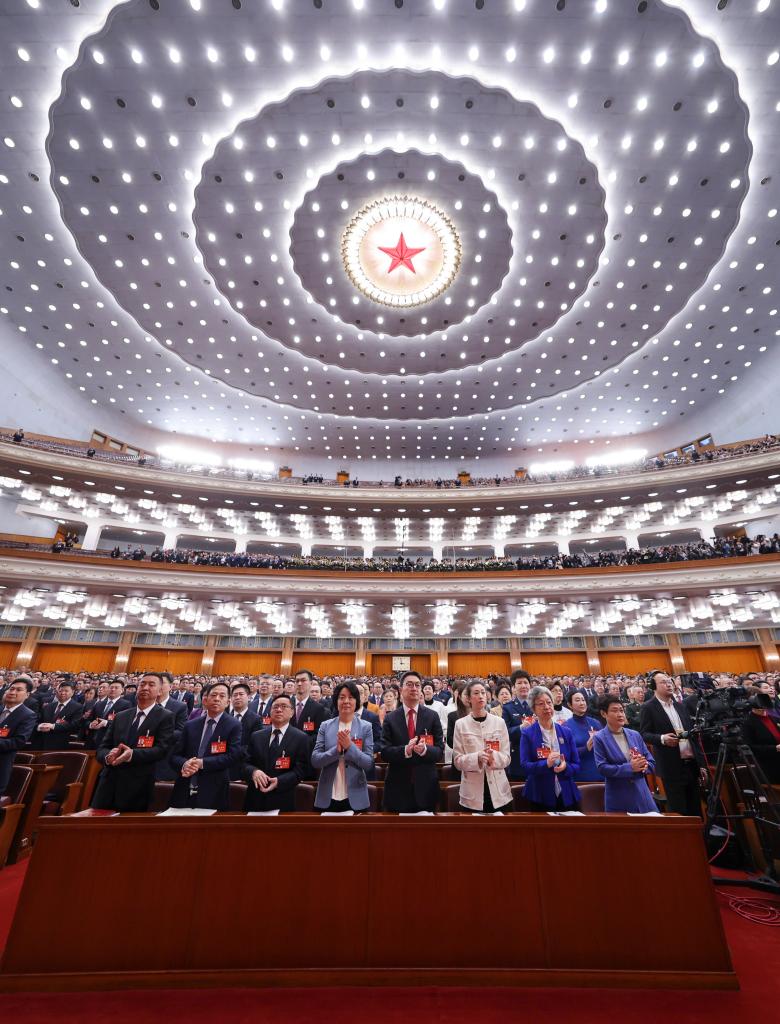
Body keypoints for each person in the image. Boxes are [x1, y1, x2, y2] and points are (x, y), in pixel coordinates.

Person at [92, 674, 175, 812]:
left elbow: (161, 750)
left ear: (160, 691)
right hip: (108, 782)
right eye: (142, 684)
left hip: (138, 784)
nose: (145, 688)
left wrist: (132, 755)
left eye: (151, 685)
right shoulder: (121, 716)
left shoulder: (165, 716)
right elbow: (102, 748)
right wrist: (108, 756)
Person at [639, 670, 706, 817]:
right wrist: (662, 738)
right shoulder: (648, 707)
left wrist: (701, 764)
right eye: (663, 682)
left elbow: (692, 736)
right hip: (671, 766)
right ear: (653, 687)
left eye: (670, 681)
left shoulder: (680, 706)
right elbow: (644, 734)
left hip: (691, 764)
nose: (669, 684)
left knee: (696, 809)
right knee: (679, 809)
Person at [169, 682, 241, 811]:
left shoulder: (233, 725)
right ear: (205, 700)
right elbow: (174, 756)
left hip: (214, 789)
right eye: (213, 695)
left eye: (222, 696)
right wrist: (185, 764)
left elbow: (233, 756)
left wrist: (202, 763)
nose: (217, 699)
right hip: (185, 786)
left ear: (228, 702)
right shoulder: (190, 725)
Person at [381, 671, 444, 813]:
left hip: (426, 788)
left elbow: (439, 750)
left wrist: (425, 750)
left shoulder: (432, 716)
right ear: (401, 689)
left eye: (417, 685)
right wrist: (405, 750)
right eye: (409, 685)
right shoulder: (390, 718)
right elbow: (384, 752)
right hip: (397, 788)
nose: (414, 688)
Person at [311, 681, 374, 812]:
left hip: (356, 795)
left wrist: (350, 747)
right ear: (336, 701)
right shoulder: (325, 726)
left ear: (356, 701)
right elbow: (315, 760)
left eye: (351, 697)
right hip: (328, 795)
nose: (346, 701)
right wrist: (336, 751)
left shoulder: (366, 727)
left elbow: (368, 763)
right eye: (342, 697)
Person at [452, 681, 512, 813]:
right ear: (468, 698)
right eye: (476, 693)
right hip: (472, 795)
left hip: (499, 792)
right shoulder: (460, 724)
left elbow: (507, 758)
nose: (480, 696)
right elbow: (457, 761)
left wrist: (493, 757)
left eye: (483, 693)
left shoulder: (499, 722)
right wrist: (477, 758)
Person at [243, 694, 310, 813]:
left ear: (292, 712)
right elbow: (244, 764)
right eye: (275, 707)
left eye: (284, 706)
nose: (279, 710)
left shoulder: (301, 738)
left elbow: (302, 770)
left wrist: (280, 781)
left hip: (283, 798)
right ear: (270, 711)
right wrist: (254, 771)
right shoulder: (256, 736)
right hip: (255, 799)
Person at [520, 685, 580, 812]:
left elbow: (576, 764)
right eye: (541, 704)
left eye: (549, 702)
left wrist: (565, 767)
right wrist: (546, 764)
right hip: (539, 794)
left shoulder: (566, 732)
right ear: (533, 709)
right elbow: (525, 765)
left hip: (566, 792)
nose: (547, 707)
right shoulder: (528, 734)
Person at [593, 695, 658, 813]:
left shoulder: (635, 734)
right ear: (603, 714)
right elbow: (602, 767)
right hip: (619, 797)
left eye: (621, 710)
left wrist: (644, 766)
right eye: (614, 711)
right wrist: (630, 767)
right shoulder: (599, 738)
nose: (620, 714)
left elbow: (651, 762)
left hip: (642, 796)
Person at [0, 677, 37, 797]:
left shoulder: (28, 715)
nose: (13, 692)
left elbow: (19, 741)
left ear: (27, 695)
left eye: (18, 690)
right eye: (11, 689)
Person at [32, 676, 84, 751]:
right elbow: (38, 720)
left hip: (60, 744)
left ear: (72, 692)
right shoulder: (48, 706)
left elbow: (74, 725)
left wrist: (53, 726)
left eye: (66, 691)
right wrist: (39, 726)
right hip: (41, 742)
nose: (62, 693)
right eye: (60, 690)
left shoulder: (77, 707)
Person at [741, 691, 780, 783]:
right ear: (753, 709)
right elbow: (750, 747)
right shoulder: (748, 723)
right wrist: (774, 748)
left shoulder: (773, 716)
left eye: (765, 709)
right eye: (760, 710)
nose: (764, 711)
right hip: (769, 763)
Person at [502, 669, 534, 781]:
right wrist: (520, 728)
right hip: (518, 757)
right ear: (513, 688)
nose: (523, 686)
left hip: (537, 756)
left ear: (530, 686)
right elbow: (504, 733)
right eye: (519, 683)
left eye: (525, 682)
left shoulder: (537, 704)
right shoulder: (508, 707)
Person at [85, 678, 131, 750]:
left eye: (116, 688)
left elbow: (124, 724)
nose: (113, 689)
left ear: (122, 690)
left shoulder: (126, 704)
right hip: (92, 740)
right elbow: (88, 720)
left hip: (109, 742)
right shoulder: (99, 704)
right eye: (111, 687)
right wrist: (91, 724)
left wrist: (106, 723)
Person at [229, 682, 263, 780]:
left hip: (244, 764)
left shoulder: (256, 719)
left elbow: (255, 745)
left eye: (241, 694)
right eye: (235, 695)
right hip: (224, 763)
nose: (237, 697)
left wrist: (233, 752)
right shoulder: (225, 717)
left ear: (248, 697)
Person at [566, 691, 602, 782]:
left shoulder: (596, 723)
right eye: (577, 700)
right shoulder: (566, 726)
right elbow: (566, 753)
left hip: (600, 773)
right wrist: (586, 748)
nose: (582, 703)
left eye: (583, 700)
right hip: (580, 776)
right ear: (570, 705)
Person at [291, 668, 327, 747]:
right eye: (297, 681)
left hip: (306, 749)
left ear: (311, 683)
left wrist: (301, 743)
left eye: (303, 680)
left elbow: (318, 734)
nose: (299, 683)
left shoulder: (318, 708)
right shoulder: (287, 704)